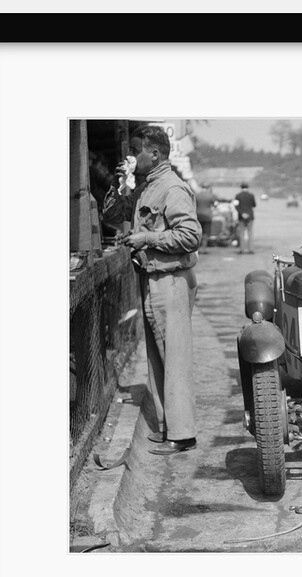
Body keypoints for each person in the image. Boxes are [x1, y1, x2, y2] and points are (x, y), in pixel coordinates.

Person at [102, 125, 202, 456]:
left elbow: (190, 236)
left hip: (171, 282)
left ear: (155, 154)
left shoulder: (172, 188)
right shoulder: (148, 188)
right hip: (153, 279)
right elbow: (114, 216)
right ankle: (167, 427)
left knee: (174, 358)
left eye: (136, 151)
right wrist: (119, 185)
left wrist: (147, 239)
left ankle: (183, 434)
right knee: (158, 358)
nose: (131, 157)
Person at [233, 182, 256, 254]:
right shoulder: (251, 195)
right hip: (250, 216)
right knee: (250, 232)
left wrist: (242, 213)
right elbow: (254, 205)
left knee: (241, 233)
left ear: (241, 187)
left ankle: (242, 249)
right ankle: (251, 249)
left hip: (241, 216)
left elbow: (235, 206)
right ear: (248, 187)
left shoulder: (238, 196)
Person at [194, 182, 217, 251]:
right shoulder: (211, 195)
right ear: (208, 188)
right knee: (206, 232)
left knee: (198, 232)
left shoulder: (196, 195)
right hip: (207, 216)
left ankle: (197, 248)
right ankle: (204, 248)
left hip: (198, 215)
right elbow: (215, 204)